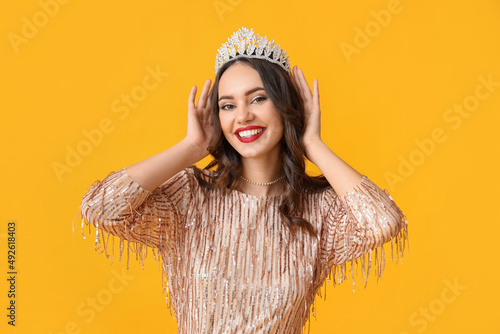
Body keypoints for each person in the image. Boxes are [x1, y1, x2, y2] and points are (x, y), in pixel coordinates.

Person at [75, 27, 409, 333]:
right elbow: (100, 206)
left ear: (285, 106)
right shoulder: (191, 196)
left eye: (258, 98)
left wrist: (313, 145)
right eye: (228, 105)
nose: (243, 115)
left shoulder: (321, 210)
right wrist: (190, 147)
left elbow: (385, 221)